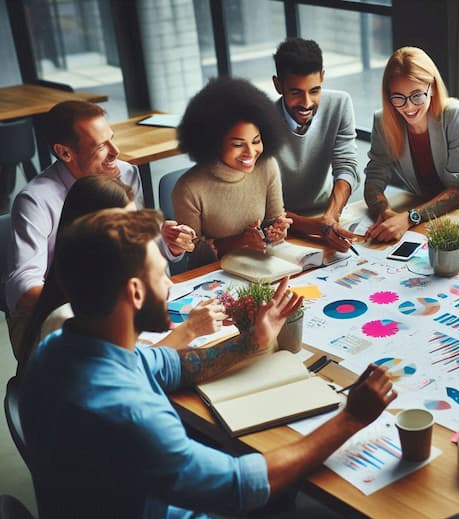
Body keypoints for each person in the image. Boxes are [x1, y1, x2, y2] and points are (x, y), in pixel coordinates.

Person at [20, 207, 397, 519]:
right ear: (135, 293)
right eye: (162, 274)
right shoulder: (127, 412)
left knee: (278, 480)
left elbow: (171, 364)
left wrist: (252, 341)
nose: (169, 285)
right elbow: (238, 485)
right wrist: (350, 418)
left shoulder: (59, 349)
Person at [3, 100, 194, 361]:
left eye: (112, 139)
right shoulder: (35, 200)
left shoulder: (125, 173)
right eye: (101, 146)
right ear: (65, 152)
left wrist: (165, 243)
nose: (116, 152)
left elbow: (130, 243)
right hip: (51, 313)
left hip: (114, 302)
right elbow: (23, 288)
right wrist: (99, 308)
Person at [15, 175, 224, 366]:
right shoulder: (68, 317)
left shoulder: (102, 281)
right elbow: (127, 371)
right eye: (128, 225)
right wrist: (188, 331)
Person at [363, 46, 459, 243]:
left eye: (416, 95)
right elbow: (374, 178)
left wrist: (409, 218)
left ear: (431, 87)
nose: (408, 106)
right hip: (425, 212)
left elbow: (456, 190)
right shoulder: (383, 121)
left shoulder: (455, 114)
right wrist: (384, 211)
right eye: (398, 97)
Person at [174, 78, 292, 268]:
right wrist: (239, 241)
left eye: (256, 141)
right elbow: (193, 254)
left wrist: (276, 232)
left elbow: (273, 221)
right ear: (213, 142)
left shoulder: (267, 166)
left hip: (261, 268)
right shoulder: (188, 189)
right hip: (216, 276)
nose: (250, 153)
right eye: (237, 144)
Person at [271, 38, 361, 253]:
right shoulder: (261, 120)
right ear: (278, 85)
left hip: (327, 214)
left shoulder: (340, 104)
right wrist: (319, 228)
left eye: (314, 90)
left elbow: (347, 166)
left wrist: (331, 217)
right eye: (295, 92)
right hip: (281, 228)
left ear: (323, 76)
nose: (307, 103)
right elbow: (262, 209)